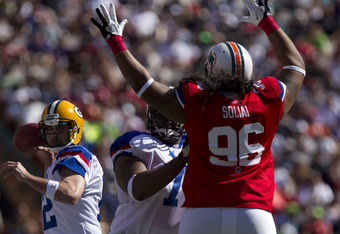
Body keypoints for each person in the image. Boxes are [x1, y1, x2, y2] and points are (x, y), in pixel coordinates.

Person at [91, 0, 305, 233]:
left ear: (211, 69)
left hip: (202, 212)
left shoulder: (197, 100)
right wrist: (267, 22)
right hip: (253, 212)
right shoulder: (268, 97)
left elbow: (145, 87)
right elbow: (296, 66)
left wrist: (116, 41)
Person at [0, 100, 103, 233]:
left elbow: (70, 193)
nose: (54, 134)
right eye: (50, 128)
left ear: (75, 129)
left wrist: (27, 177)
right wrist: (49, 163)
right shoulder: (59, 159)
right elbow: (54, 195)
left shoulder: (75, 153)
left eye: (60, 128)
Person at [108, 106, 188, 234]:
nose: (166, 118)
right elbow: (137, 189)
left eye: (171, 112)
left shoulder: (195, 146)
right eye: (160, 114)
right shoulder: (137, 142)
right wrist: (182, 159)